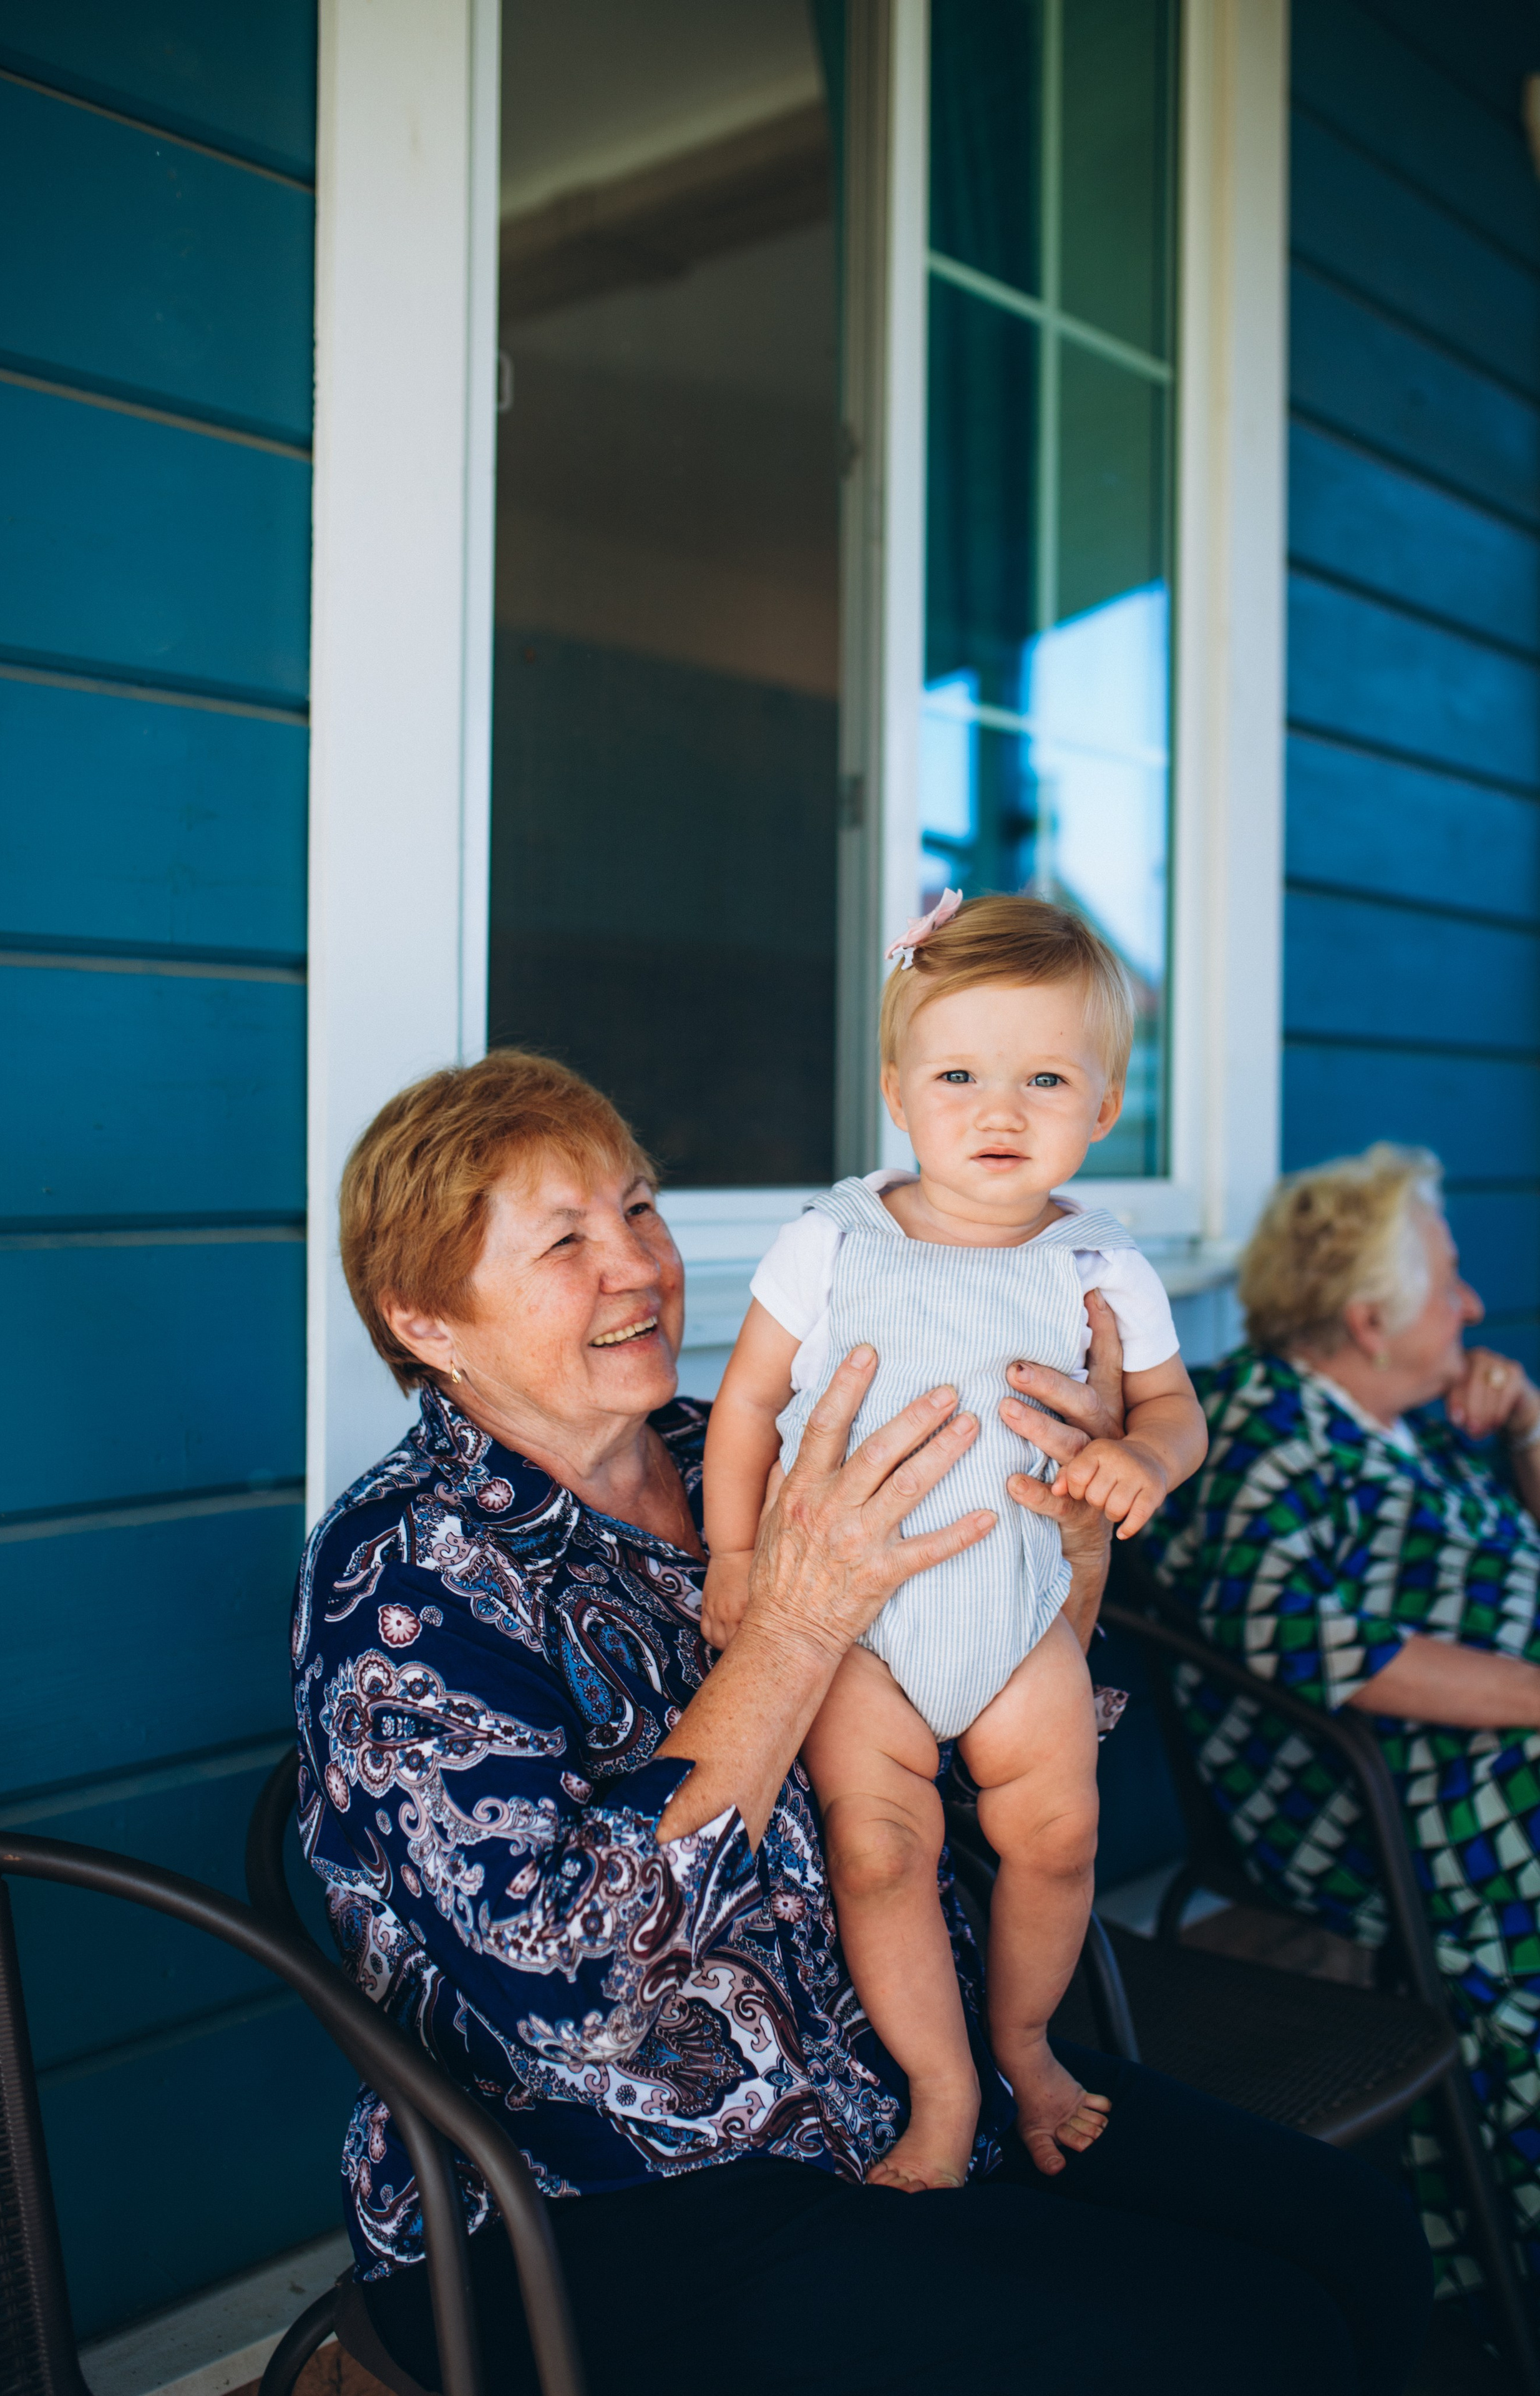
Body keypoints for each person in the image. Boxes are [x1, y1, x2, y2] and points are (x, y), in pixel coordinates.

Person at [293, 1049, 1428, 2396]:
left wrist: (1068, 1562)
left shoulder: (751, 1453)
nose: (637, 1266)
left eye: (640, 1208)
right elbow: (570, 1995)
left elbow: (973, 1755)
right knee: (1244, 2344)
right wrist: (793, 1624)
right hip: (611, 2192)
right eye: (563, 1240)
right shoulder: (406, 1574)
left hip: (911, 2072)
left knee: (1360, 2239)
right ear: (427, 1320)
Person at [701, 894, 1207, 2189]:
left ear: (1101, 1109)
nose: (998, 1111)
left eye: (1044, 1078)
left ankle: (1025, 2045)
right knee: (881, 1852)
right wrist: (736, 1561)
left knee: (1056, 1837)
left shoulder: (1099, 1261)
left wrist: (1140, 1457)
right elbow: (748, 1403)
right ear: (895, 1091)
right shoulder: (830, 1241)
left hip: (1016, 1606)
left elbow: (1170, 1411)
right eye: (957, 1075)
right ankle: (939, 2091)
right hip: (854, 1629)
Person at [1147, 1142, 1540, 2308]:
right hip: (1382, 1804)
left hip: (1463, 1756)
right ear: (1370, 1317)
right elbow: (1313, 1645)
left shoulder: (1402, 1424)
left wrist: (1524, 1429)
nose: (1473, 1304)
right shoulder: (1259, 1437)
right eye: (1453, 1278)